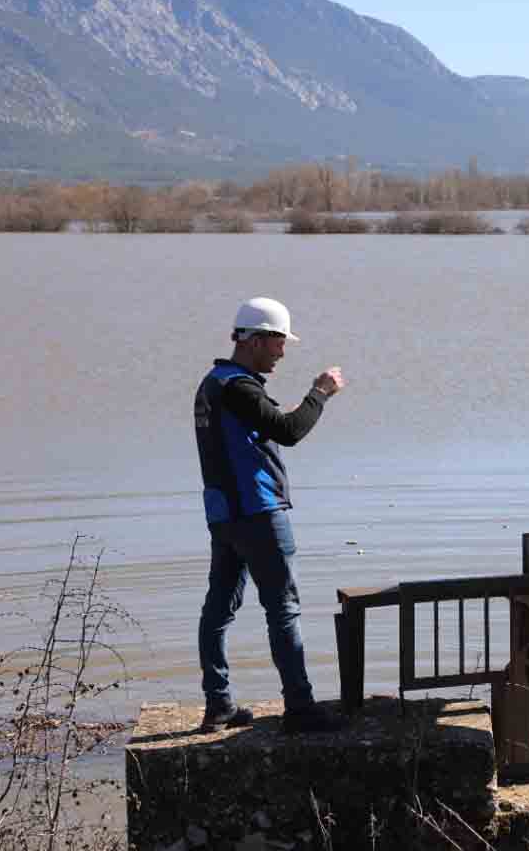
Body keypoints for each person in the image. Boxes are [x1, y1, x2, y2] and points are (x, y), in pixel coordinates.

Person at [192, 296, 346, 733]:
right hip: (258, 514)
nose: (282, 352)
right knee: (283, 609)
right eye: (279, 342)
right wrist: (320, 393)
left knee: (219, 608)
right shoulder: (238, 388)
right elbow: (289, 431)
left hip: (224, 517)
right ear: (257, 340)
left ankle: (218, 703)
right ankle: (299, 708)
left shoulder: (212, 383)